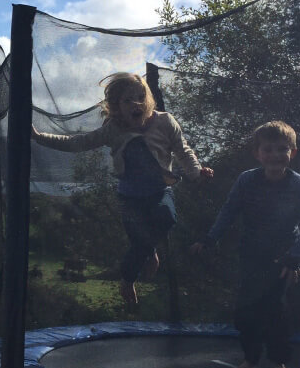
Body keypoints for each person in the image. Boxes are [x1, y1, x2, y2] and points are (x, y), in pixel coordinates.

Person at [32, 72, 213, 306]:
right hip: (130, 197)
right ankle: (130, 278)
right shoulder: (114, 129)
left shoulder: (165, 121)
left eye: (141, 97)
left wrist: (196, 173)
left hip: (159, 189)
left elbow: (183, 150)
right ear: (117, 106)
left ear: (148, 99)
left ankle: (145, 257)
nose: (136, 104)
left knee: (166, 217)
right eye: (128, 100)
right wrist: (39, 137)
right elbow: (78, 142)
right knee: (139, 241)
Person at [190, 120, 300, 368]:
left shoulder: (299, 184)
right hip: (251, 254)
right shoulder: (247, 180)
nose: (275, 155)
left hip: (282, 257)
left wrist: (295, 257)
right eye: (268, 149)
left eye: (282, 149)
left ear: (292, 153)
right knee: (246, 309)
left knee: (275, 308)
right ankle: (250, 357)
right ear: (257, 154)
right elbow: (229, 211)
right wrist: (210, 238)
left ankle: (279, 360)